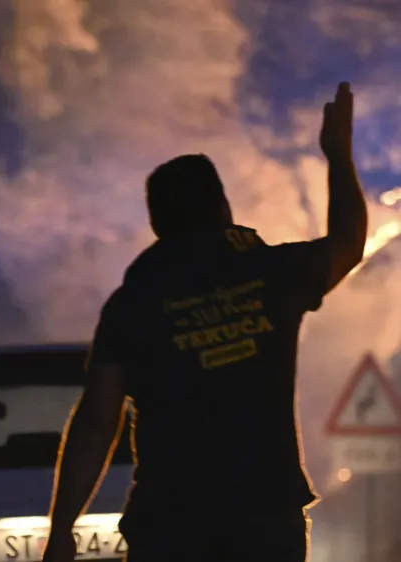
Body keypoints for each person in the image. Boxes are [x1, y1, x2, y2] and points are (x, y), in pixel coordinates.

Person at [43, 82, 367, 562]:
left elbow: (97, 421)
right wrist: (338, 155)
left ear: (157, 226)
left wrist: (63, 526)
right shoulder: (270, 276)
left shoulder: (131, 304)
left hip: (170, 523)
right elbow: (348, 241)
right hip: (266, 517)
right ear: (223, 208)